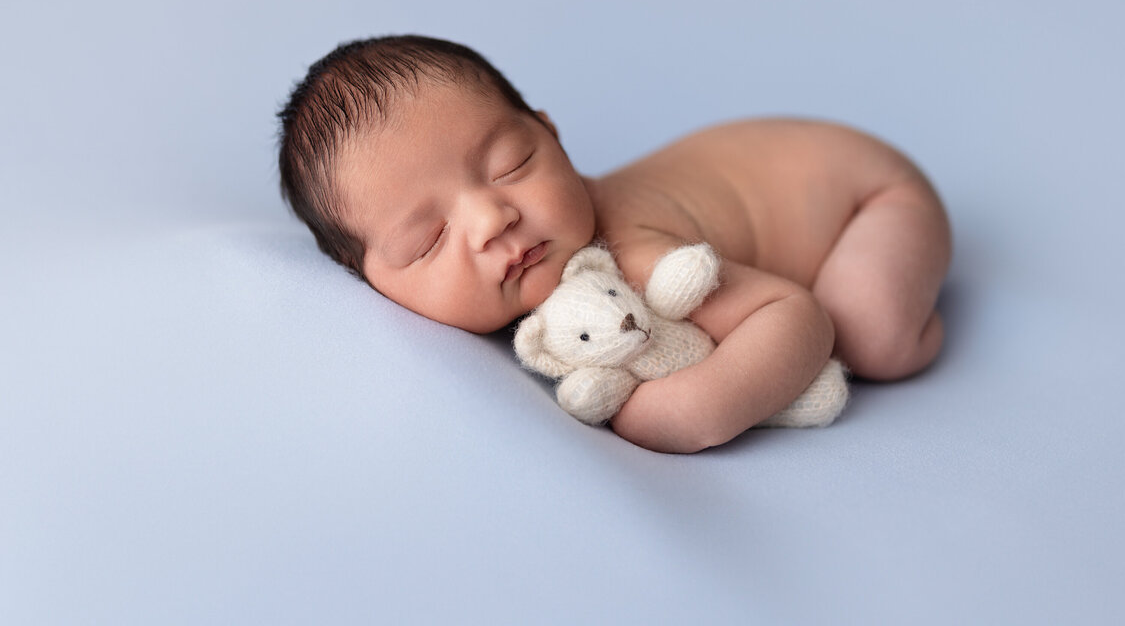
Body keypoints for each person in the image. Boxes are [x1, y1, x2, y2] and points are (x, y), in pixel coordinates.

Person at [278, 35, 952, 453]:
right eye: (428, 239)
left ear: (551, 133)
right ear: (366, 278)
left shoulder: (631, 254)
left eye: (512, 164)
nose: (491, 220)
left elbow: (796, 315)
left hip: (867, 193)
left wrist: (690, 410)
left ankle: (940, 307)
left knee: (872, 338)